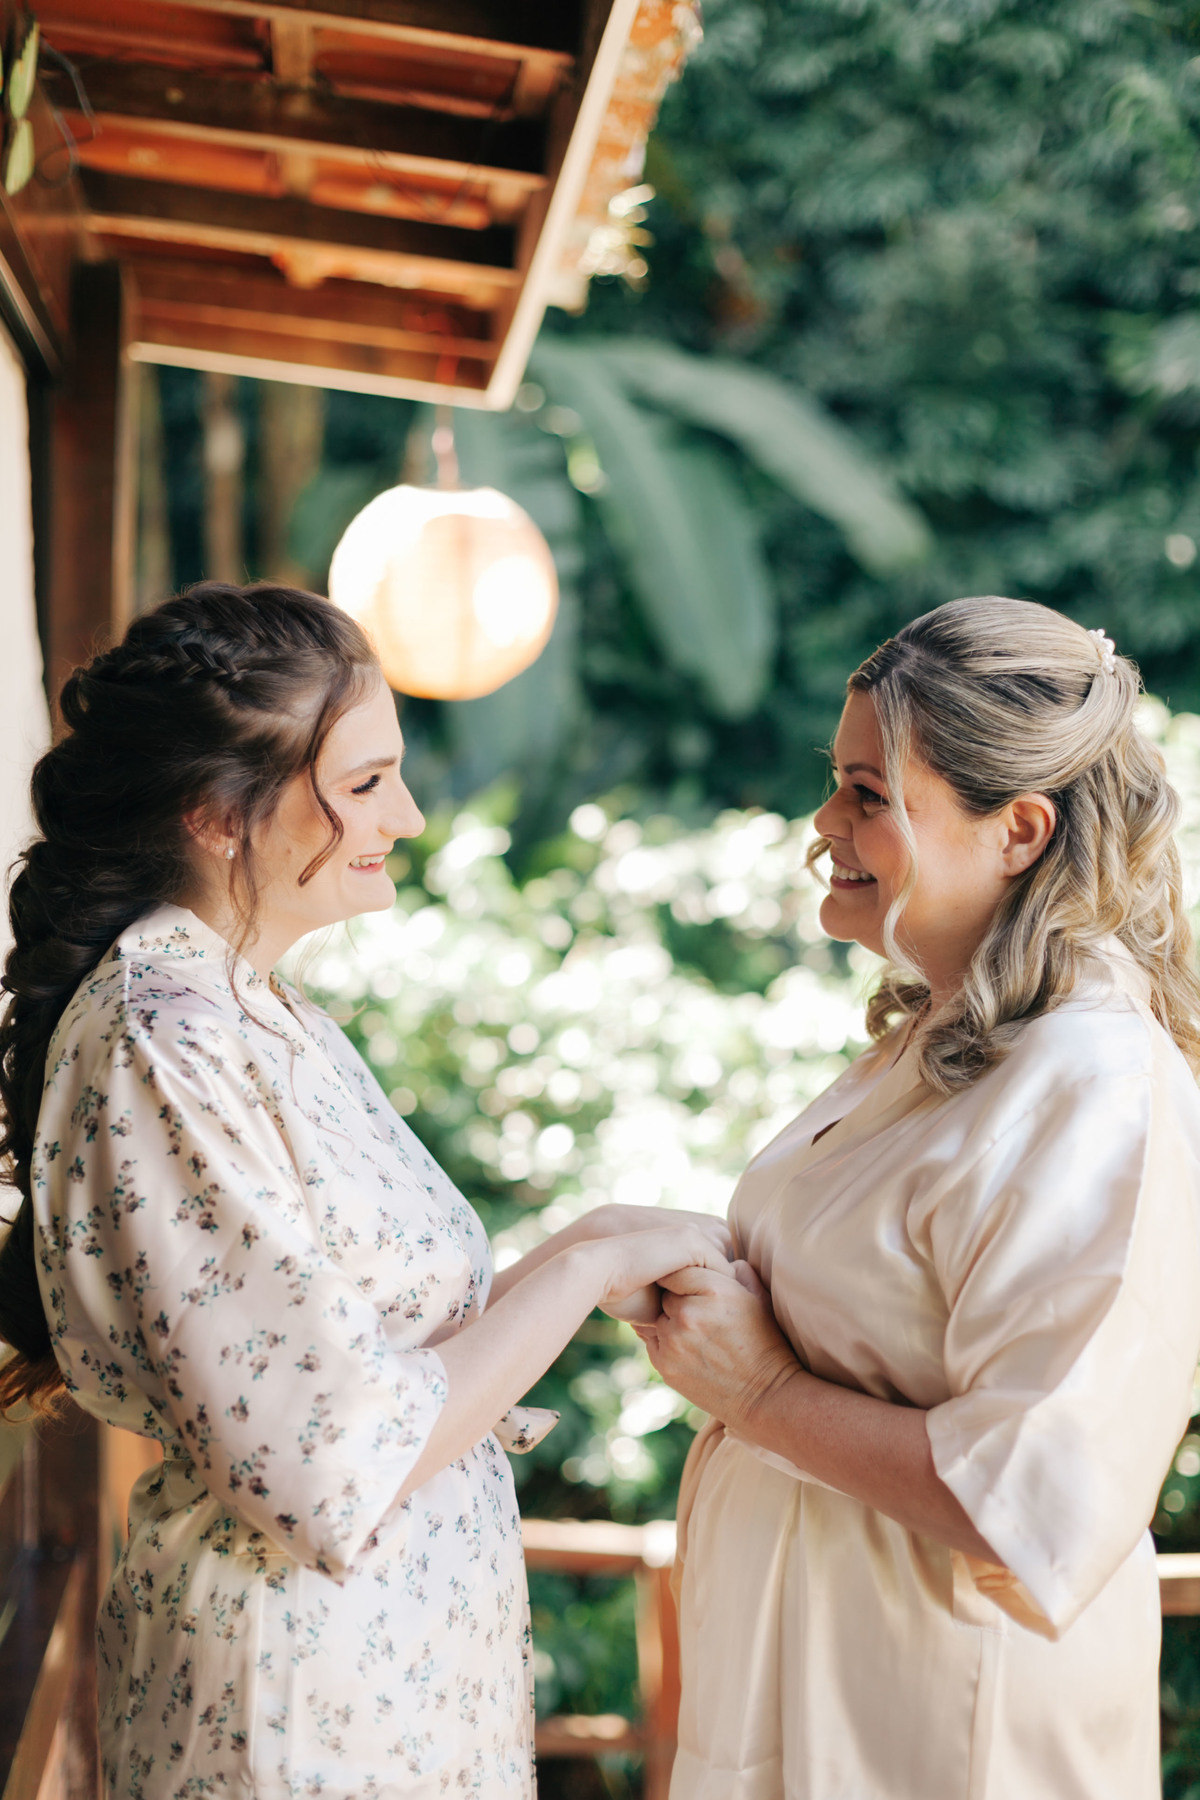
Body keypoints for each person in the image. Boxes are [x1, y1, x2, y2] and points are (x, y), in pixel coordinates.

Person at [0, 582, 729, 1800]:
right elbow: (332, 1455)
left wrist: (585, 1246)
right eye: (367, 781)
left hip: (392, 1666)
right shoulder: (162, 1037)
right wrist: (595, 1267)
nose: (410, 813)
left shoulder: (257, 1009)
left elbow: (367, 1352)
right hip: (295, 1699)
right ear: (216, 815)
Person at [639, 597, 1200, 1800]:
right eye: (835, 783)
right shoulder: (941, 1047)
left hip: (941, 1719)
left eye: (868, 794)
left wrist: (762, 1392)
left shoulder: (1098, 1081)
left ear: (1020, 832)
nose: (824, 824)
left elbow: (1036, 1502)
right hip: (805, 1673)